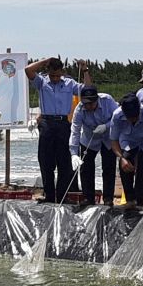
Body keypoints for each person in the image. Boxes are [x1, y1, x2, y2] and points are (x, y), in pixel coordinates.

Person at [25, 57, 90, 203]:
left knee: (65, 163)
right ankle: (49, 195)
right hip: (47, 123)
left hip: (63, 124)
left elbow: (87, 89)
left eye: (57, 75)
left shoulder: (69, 83)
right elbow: (28, 70)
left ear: (62, 72)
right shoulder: (42, 82)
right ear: (48, 72)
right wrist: (45, 60)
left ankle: (62, 196)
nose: (55, 78)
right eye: (52, 75)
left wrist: (85, 69)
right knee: (46, 162)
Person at [109, 94, 143, 210]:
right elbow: (113, 141)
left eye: (135, 116)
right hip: (129, 140)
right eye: (129, 117)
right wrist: (121, 158)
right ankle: (130, 199)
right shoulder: (117, 116)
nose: (133, 119)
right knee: (125, 163)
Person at [70, 86, 119, 211]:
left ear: (97, 99)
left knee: (109, 167)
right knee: (86, 168)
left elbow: (117, 118)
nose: (89, 106)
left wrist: (106, 126)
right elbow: (75, 131)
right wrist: (74, 154)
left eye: (92, 103)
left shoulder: (107, 100)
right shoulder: (79, 109)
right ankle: (88, 198)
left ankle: (108, 198)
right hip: (89, 139)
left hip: (108, 138)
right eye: (86, 104)